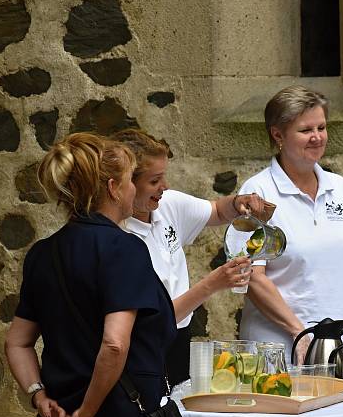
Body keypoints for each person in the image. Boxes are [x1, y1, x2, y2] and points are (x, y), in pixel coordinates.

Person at [4, 132, 177, 417]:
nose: (137, 186)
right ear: (114, 188)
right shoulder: (124, 249)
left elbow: (17, 341)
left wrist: (39, 396)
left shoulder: (44, 253)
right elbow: (115, 343)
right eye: (133, 178)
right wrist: (85, 415)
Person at [113, 129, 265, 386]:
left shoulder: (167, 205)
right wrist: (212, 284)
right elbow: (154, 319)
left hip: (179, 337)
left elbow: (216, 210)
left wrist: (238, 202)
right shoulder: (117, 236)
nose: (165, 187)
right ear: (125, 183)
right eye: (154, 181)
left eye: (164, 177)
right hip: (142, 345)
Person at [237, 86, 343, 363]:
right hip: (280, 348)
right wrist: (299, 334)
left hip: (342, 345)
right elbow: (253, 276)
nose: (317, 137)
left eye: (322, 127)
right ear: (278, 134)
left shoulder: (341, 188)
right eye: (305, 130)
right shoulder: (258, 193)